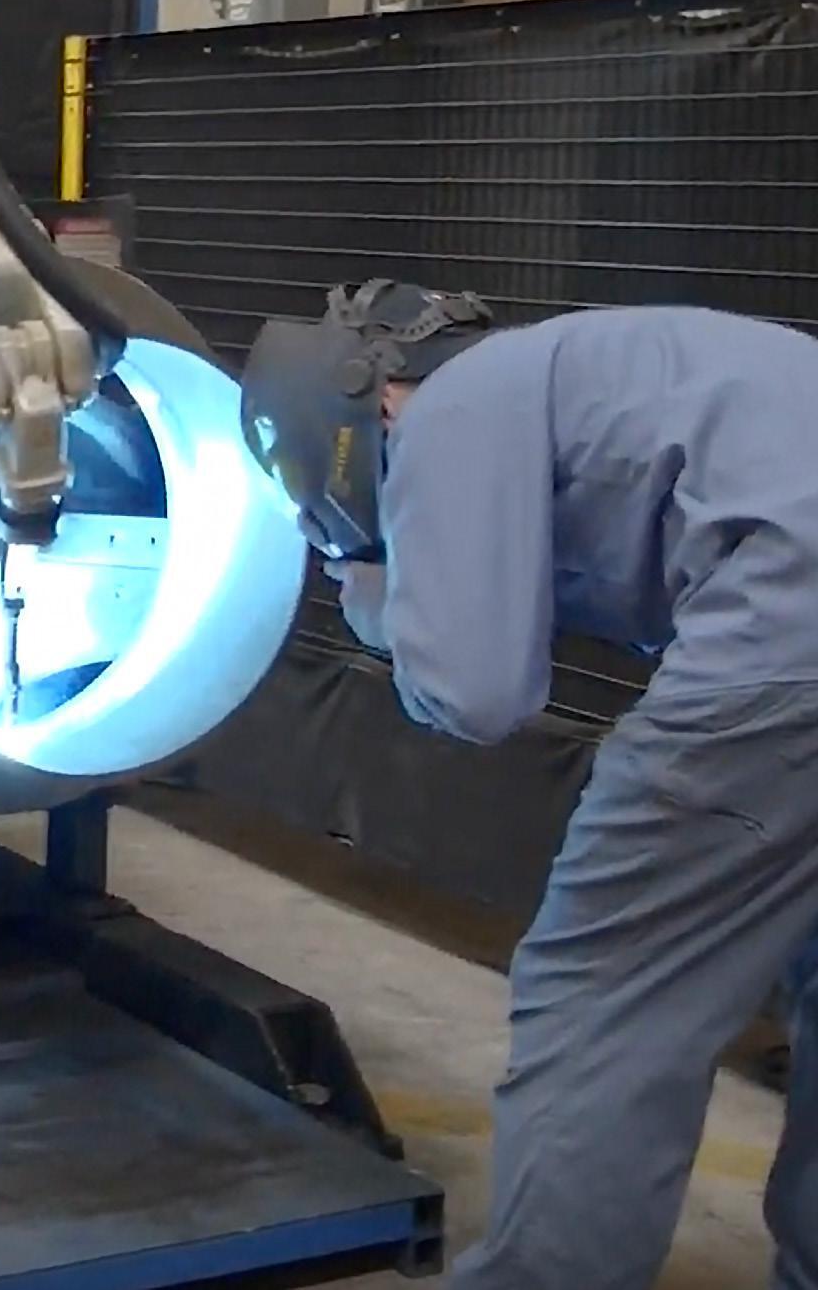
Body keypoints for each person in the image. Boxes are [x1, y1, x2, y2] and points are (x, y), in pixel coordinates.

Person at [239, 280, 818, 1290]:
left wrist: (383, 599)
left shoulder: (451, 409)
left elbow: (477, 693)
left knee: (604, 994)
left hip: (786, 635)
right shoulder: (572, 373)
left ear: (363, 413)